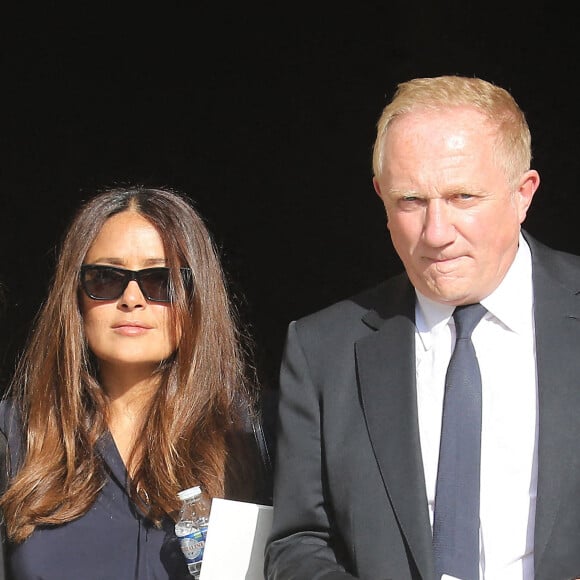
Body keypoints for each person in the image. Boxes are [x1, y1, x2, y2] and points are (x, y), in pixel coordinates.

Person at [264, 75, 580, 579]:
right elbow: (300, 543)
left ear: (524, 194)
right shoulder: (325, 349)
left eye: (462, 197)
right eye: (411, 201)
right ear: (381, 200)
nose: (436, 233)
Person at [0, 185, 271, 579]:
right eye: (106, 278)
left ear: (197, 297)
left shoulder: (256, 437)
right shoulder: (14, 437)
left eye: (161, 281)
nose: (132, 298)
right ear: (74, 295)